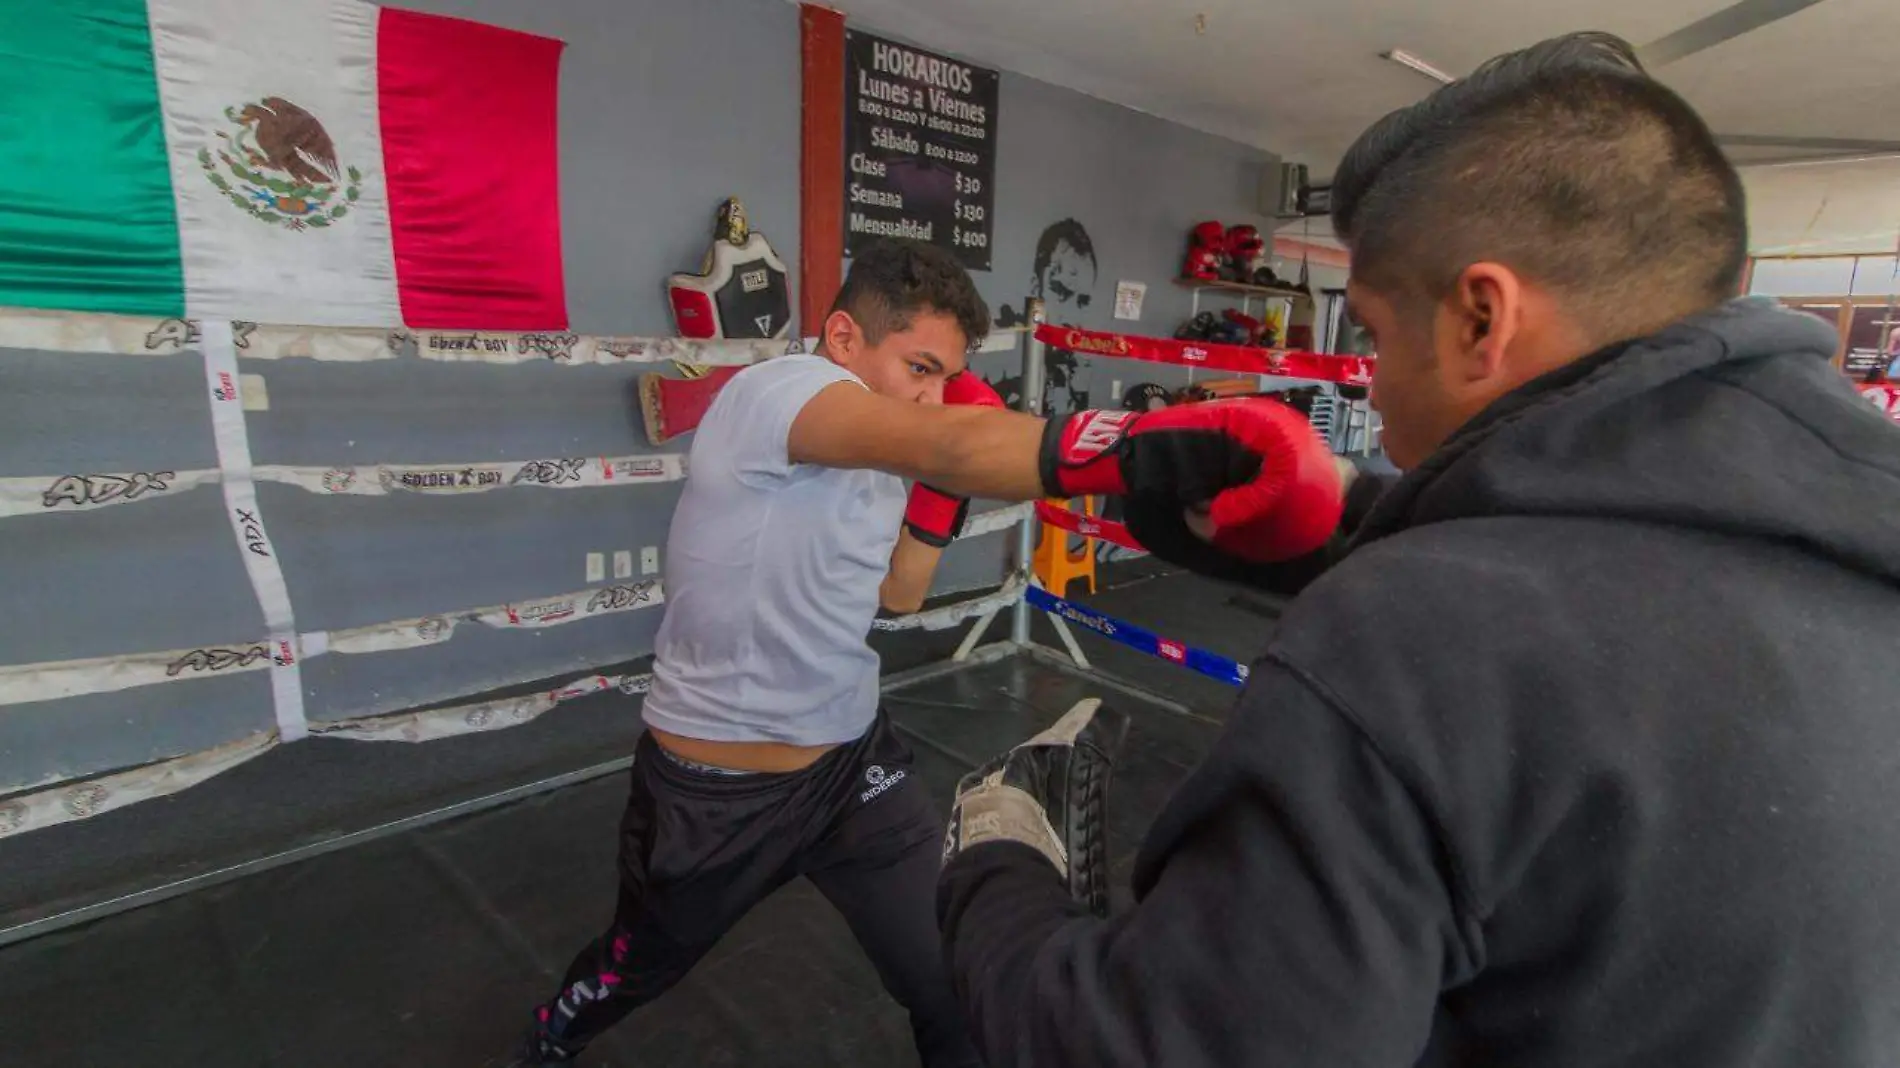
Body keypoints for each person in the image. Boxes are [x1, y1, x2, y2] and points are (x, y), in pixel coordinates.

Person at [937, 31, 1900, 1068]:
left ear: (1482, 316)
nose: (1373, 393)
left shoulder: (1419, 637)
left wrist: (997, 865)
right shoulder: (1851, 544)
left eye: (1378, 339)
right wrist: (1354, 512)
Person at [513, 238, 1347, 1064]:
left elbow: (900, 592)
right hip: (718, 792)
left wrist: (940, 487)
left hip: (850, 769)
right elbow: (943, 444)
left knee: (955, 980)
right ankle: (556, 1033)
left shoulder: (890, 449)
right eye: (919, 367)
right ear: (843, 339)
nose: (935, 394)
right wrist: (1149, 447)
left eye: (947, 375)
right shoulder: (780, 394)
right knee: (634, 968)